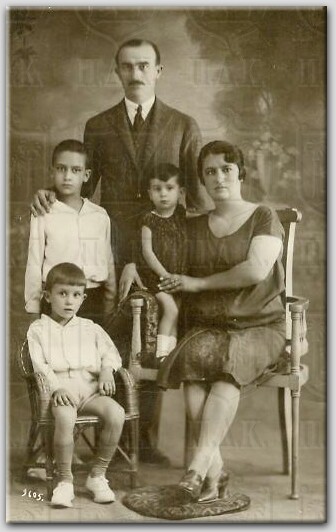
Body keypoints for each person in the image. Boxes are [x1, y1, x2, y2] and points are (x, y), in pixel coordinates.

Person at [29, 39, 210, 465]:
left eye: (144, 65)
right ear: (117, 72)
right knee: (104, 342)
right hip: (108, 250)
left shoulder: (184, 124)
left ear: (159, 71)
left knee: (149, 344)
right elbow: (82, 189)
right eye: (127, 66)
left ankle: (141, 442)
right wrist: (47, 195)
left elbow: (197, 199)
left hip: (163, 252)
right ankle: (97, 437)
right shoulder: (98, 125)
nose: (136, 73)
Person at [157, 140, 286, 503]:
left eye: (226, 169)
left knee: (227, 370)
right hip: (211, 327)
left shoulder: (263, 216)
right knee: (194, 375)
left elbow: (255, 270)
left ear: (240, 173)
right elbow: (160, 252)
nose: (218, 177)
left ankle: (196, 469)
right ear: (201, 179)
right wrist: (138, 262)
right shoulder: (194, 226)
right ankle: (216, 473)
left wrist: (199, 283)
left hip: (260, 326)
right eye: (209, 172)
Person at [27, 263, 125, 508]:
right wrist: (55, 388)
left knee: (116, 413)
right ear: (48, 296)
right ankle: (65, 481)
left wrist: (106, 371)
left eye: (76, 295)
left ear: (83, 298)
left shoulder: (90, 328)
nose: (69, 301)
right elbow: (39, 364)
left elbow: (111, 354)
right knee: (65, 418)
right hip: (62, 391)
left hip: (90, 390)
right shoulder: (38, 329)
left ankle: (97, 476)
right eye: (62, 294)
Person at [25, 139, 116, 326]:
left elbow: (107, 261)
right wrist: (33, 309)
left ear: (86, 175)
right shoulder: (44, 213)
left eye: (75, 170)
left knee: (91, 352)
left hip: (93, 299)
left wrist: (109, 301)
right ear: (52, 171)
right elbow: (34, 263)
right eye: (61, 169)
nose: (67, 176)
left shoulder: (99, 215)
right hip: (56, 298)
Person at [139, 163, 187, 360]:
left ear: (180, 191)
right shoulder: (149, 220)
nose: (163, 194)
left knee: (178, 312)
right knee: (171, 309)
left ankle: (171, 354)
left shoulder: (182, 216)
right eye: (157, 189)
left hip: (177, 276)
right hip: (156, 277)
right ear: (150, 193)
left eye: (169, 188)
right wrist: (165, 275)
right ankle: (160, 354)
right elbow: (147, 253)